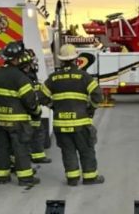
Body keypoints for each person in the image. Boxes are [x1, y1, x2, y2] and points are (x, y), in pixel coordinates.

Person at [42, 44, 105, 186]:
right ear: (76, 59)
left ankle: (72, 178)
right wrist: (90, 109)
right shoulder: (83, 76)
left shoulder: (54, 78)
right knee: (86, 150)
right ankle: (90, 177)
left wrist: (53, 106)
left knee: (67, 151)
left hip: (60, 124)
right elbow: (97, 96)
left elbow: (41, 95)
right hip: (80, 122)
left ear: (61, 60)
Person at [0, 41, 41, 187]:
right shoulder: (21, 77)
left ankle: (2, 177)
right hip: (17, 121)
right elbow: (30, 102)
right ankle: (25, 178)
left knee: (2, 148)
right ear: (17, 58)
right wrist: (36, 112)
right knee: (20, 148)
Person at [18, 49, 52, 164]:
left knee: (37, 131)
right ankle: (35, 156)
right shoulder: (26, 75)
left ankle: (37, 155)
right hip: (29, 110)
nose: (34, 64)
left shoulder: (27, 74)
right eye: (32, 61)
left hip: (31, 109)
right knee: (34, 132)